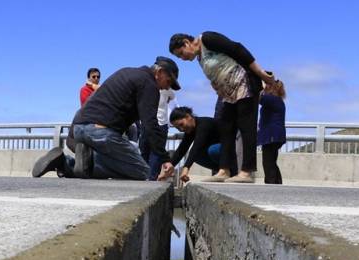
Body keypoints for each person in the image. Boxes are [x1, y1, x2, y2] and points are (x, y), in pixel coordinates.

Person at [32, 57, 181, 181]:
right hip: (100, 132)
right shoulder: (149, 84)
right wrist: (165, 159)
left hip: (78, 130)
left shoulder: (127, 72)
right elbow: (150, 125)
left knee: (119, 161)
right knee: (142, 172)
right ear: (159, 72)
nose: (165, 88)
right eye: (168, 82)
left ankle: (72, 162)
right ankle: (71, 163)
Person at [169, 32, 275, 183]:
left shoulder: (207, 39)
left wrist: (261, 73)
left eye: (181, 54)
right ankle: (223, 170)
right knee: (226, 129)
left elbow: (237, 49)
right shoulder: (200, 57)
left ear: (187, 43)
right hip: (228, 95)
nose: (183, 59)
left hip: (244, 85)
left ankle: (246, 172)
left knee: (246, 127)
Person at [169, 106, 231, 183]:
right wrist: (170, 166)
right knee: (197, 157)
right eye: (178, 128)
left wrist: (186, 168)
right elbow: (182, 149)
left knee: (212, 150)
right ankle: (224, 171)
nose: (181, 129)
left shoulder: (204, 124)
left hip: (232, 151)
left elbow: (196, 146)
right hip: (223, 155)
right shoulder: (190, 130)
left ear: (188, 117)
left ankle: (228, 170)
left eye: (181, 124)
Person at [143, 87, 176, 180]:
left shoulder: (147, 86)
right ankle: (152, 178)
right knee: (156, 153)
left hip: (147, 122)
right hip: (161, 124)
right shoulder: (167, 88)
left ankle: (144, 176)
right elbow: (171, 97)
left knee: (145, 150)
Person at [258, 79, 287, 184]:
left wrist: (261, 86)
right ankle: (277, 182)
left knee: (268, 161)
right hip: (276, 135)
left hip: (271, 135)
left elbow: (260, 99)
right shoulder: (278, 100)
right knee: (272, 161)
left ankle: (271, 183)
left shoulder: (272, 99)